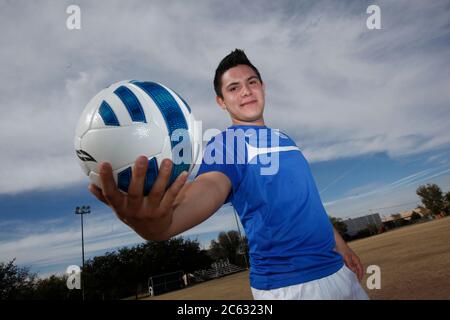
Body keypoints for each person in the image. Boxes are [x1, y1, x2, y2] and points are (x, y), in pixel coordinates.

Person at [89, 49, 369, 300]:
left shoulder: (284, 138)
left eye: (252, 82)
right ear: (221, 102)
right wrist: (162, 224)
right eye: (234, 88)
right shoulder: (226, 145)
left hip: (337, 269)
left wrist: (341, 245)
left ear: (263, 88)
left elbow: (308, 204)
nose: (246, 91)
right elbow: (209, 186)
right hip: (291, 287)